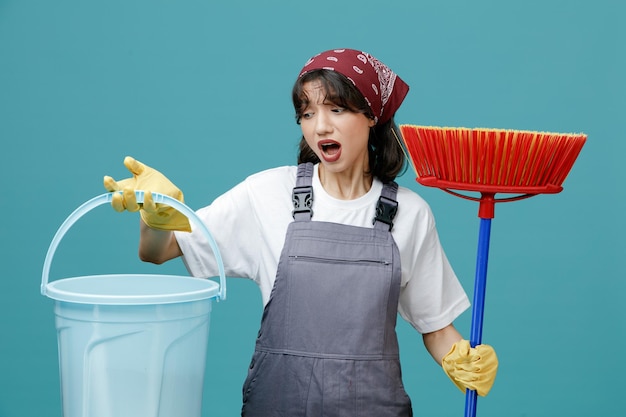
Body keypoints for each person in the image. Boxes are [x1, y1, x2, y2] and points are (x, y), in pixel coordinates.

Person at [104, 48, 498, 416]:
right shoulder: (266, 194)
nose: (320, 125)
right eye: (307, 113)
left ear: (371, 115)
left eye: (336, 108)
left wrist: (460, 358)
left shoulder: (410, 214)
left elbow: (436, 328)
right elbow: (159, 250)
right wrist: (158, 214)